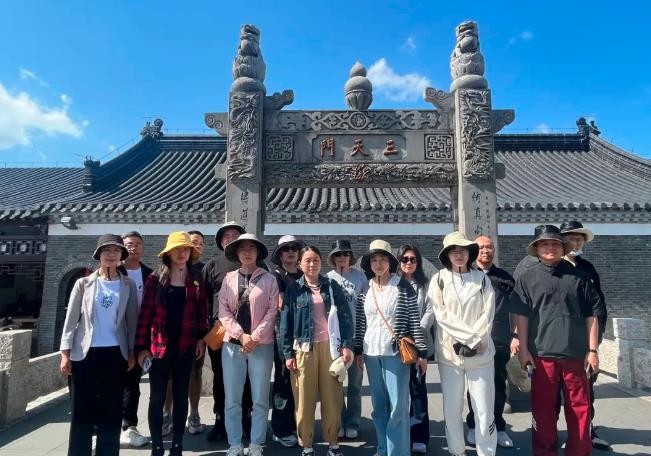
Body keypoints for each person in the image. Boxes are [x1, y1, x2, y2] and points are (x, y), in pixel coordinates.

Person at [512, 225, 604, 456]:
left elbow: (592, 314)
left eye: (555, 243)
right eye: (544, 244)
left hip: (576, 354)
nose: (550, 248)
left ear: (563, 247)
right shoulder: (526, 277)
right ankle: (544, 452)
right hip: (541, 354)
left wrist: (593, 350)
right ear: (536, 249)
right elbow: (521, 315)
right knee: (543, 409)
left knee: (579, 408)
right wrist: (524, 349)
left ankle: (579, 451)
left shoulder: (580, 277)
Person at [60, 234, 139, 456]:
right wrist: (65, 353)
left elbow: (132, 321)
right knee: (81, 409)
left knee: (111, 409)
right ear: (98, 255)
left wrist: (132, 351)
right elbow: (71, 321)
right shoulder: (83, 284)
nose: (111, 255)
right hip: (84, 354)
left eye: (116, 250)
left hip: (115, 353)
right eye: (106, 250)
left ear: (122, 255)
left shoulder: (128, 285)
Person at [135, 231, 208, 456]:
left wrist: (201, 338)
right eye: (177, 249)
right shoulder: (155, 279)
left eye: (185, 249)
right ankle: (157, 445)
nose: (181, 253)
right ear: (168, 253)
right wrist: (141, 348)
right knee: (157, 397)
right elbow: (145, 315)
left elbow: (202, 312)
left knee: (180, 395)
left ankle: (177, 444)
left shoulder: (196, 279)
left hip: (186, 345)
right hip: (159, 347)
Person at [354, 239, 428, 456]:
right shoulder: (365, 290)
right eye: (374, 260)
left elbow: (414, 321)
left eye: (382, 259)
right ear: (369, 264)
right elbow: (361, 323)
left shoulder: (402, 287)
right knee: (379, 406)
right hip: (371, 352)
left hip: (395, 353)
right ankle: (382, 448)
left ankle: (398, 452)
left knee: (398, 406)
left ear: (390, 262)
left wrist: (422, 353)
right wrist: (358, 350)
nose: (378, 264)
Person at [280, 245, 354, 456]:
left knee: (333, 398)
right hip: (303, 349)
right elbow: (285, 323)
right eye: (307, 260)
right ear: (300, 264)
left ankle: (333, 443)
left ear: (321, 263)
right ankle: (307, 445)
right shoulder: (294, 288)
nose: (312, 264)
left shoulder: (331, 285)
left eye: (316, 260)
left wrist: (346, 345)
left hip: (330, 349)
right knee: (304, 400)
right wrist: (287, 354)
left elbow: (345, 317)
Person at [429, 231, 497, 456]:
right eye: (453, 251)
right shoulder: (439, 279)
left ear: (470, 253)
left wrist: (476, 340)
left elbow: (488, 314)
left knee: (483, 408)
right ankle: (457, 450)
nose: (458, 255)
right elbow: (441, 315)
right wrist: (468, 339)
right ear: (447, 255)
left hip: (481, 353)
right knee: (452, 407)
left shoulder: (482, 279)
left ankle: (486, 451)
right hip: (450, 354)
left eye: (463, 250)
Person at [219, 233, 279, 456]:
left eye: (251, 248)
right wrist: (241, 335)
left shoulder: (269, 279)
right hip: (232, 345)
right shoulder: (228, 279)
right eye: (242, 248)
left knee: (260, 398)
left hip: (261, 345)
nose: (247, 252)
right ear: (236, 253)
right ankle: (234, 443)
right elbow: (223, 311)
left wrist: (254, 336)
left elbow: (272, 310)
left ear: (257, 252)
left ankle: (256, 443)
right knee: (232, 398)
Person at [560, 220, 610, 450]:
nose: (576, 242)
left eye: (580, 239)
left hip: (585, 341)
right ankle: (554, 432)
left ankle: (586, 431)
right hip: (556, 342)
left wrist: (595, 343)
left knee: (586, 388)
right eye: (571, 238)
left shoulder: (587, 268)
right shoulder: (550, 266)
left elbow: (598, 306)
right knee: (555, 392)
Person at [201, 221, 253, 442]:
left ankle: (246, 418)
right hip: (220, 329)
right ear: (221, 241)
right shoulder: (213, 265)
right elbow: (203, 299)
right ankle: (220, 419)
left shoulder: (256, 263)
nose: (231, 238)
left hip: (248, 331)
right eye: (226, 236)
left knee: (248, 377)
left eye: (235, 235)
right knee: (220, 377)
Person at [464, 235, 515, 449]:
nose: (486, 251)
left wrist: (515, 336)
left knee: (498, 384)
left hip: (499, 340)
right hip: (474, 341)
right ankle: (474, 425)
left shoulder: (505, 278)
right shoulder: (467, 276)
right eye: (481, 247)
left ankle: (498, 427)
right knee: (475, 385)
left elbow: (515, 310)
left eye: (490, 247)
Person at [325, 240, 368, 440]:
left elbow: (365, 310)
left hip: (356, 338)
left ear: (351, 256)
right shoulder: (327, 279)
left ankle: (353, 422)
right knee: (336, 384)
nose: (342, 257)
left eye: (345, 253)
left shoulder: (360, 277)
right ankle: (339, 421)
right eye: (338, 254)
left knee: (355, 385)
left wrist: (361, 342)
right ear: (333, 258)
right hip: (335, 339)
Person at [396, 244, 434, 454]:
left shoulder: (425, 284)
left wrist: (417, 329)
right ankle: (401, 433)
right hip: (398, 344)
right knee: (398, 391)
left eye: (412, 259)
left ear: (418, 262)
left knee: (418, 390)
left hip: (418, 343)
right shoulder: (393, 283)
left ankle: (419, 435)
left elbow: (430, 309)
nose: (408, 263)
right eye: (404, 259)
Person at [118, 231, 153, 448]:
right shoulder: (112, 271)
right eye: (129, 244)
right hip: (114, 336)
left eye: (138, 244)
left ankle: (129, 426)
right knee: (110, 383)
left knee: (132, 384)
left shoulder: (150, 274)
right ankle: (102, 426)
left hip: (139, 336)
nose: (134, 248)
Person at [270, 235, 305, 448]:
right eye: (286, 249)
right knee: (283, 381)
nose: (291, 252)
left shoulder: (303, 274)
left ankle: (294, 423)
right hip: (283, 336)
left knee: (298, 382)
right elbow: (281, 304)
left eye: (294, 248)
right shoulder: (276, 276)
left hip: (303, 335)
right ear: (280, 254)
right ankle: (280, 428)